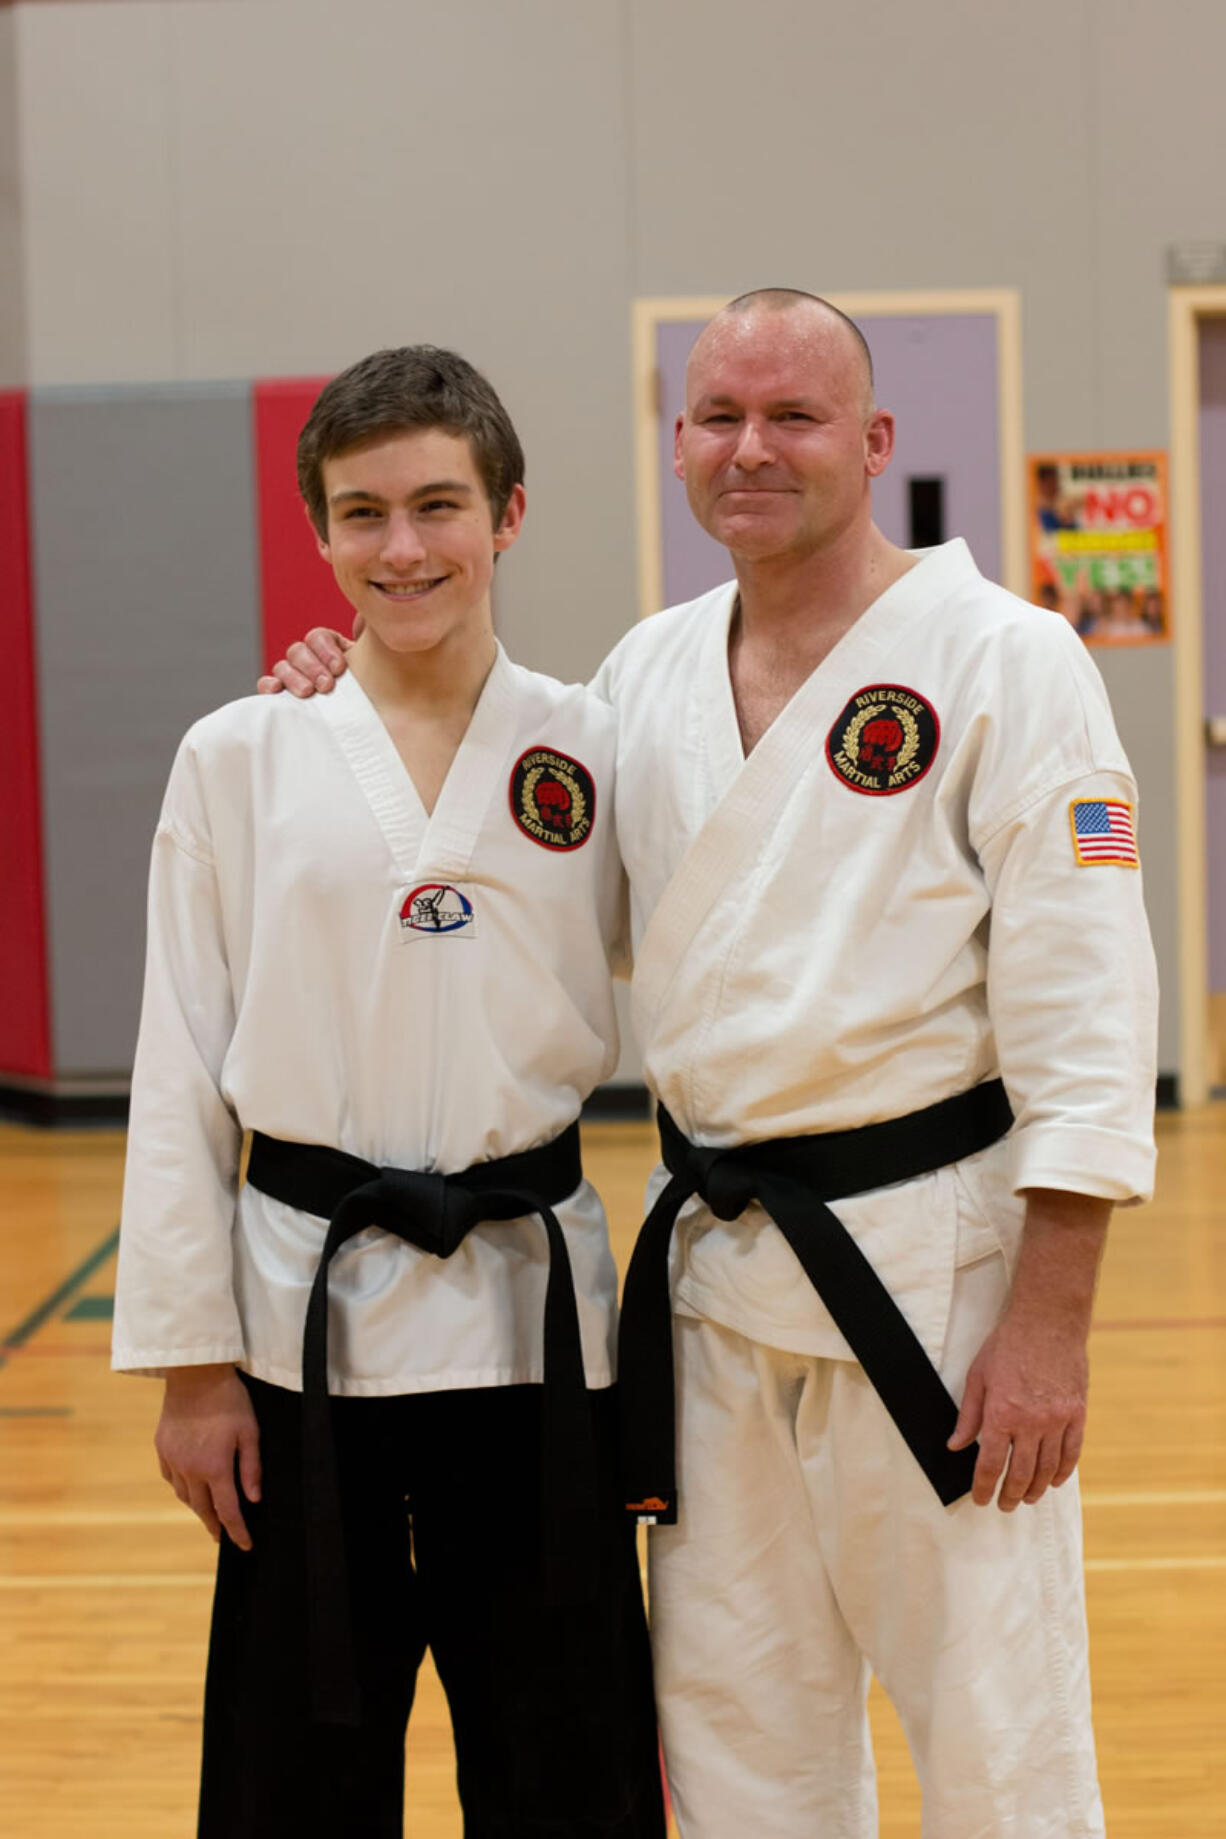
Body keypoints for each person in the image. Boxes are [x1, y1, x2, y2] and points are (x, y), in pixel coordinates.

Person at [266, 294, 1158, 1838]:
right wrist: (350, 714)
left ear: (873, 443)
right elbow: (531, 882)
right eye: (719, 417)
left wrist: (1050, 1328)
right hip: (714, 1288)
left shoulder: (1007, 660)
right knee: (737, 1721)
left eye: (793, 416)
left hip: (930, 1279)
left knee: (992, 1721)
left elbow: (1088, 1019)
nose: (751, 448)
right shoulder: (645, 679)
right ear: (676, 444)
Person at [113, 346, 665, 1839]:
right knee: (298, 1771)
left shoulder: (600, 746)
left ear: (509, 515)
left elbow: (705, 994)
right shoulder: (237, 756)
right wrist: (188, 1363)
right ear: (318, 534)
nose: (402, 548)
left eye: (437, 506)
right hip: (306, 1334)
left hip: (532, 1333)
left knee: (566, 1765)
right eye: (363, 515)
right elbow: (178, 1069)